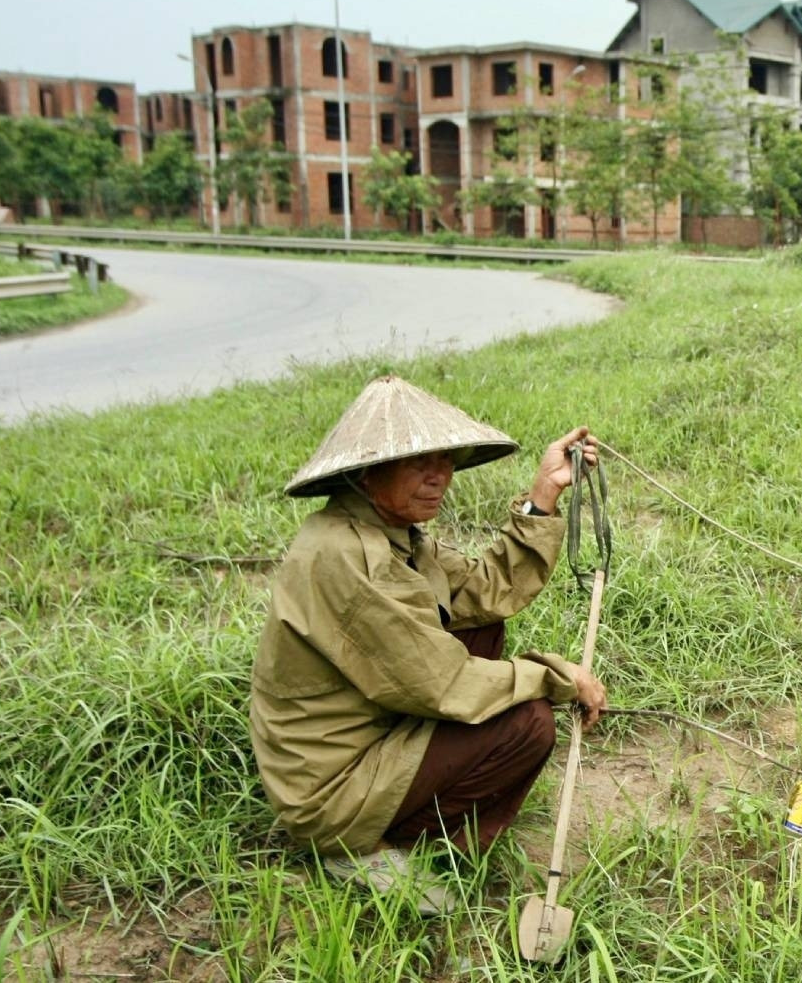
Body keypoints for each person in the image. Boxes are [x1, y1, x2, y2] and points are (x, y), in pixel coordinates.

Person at [249, 374, 606, 910]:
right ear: (369, 470)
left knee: (478, 625)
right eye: (419, 462)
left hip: (370, 732)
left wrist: (544, 495)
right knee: (528, 722)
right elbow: (444, 682)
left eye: (445, 462)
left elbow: (485, 589)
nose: (439, 477)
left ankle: (407, 810)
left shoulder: (387, 533)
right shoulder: (347, 557)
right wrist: (558, 676)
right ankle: (365, 846)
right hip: (329, 789)